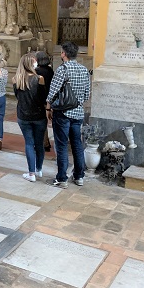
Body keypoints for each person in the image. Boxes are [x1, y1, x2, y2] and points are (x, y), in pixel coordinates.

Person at [46, 41, 91, 188]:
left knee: (62, 145)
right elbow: (87, 95)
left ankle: (62, 178)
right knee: (77, 145)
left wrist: (48, 108)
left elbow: (53, 91)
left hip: (63, 113)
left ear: (63, 53)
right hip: (78, 113)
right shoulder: (84, 70)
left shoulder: (62, 69)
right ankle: (79, 176)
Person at [13, 53, 48, 182]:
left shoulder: (16, 79)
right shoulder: (39, 79)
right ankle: (39, 169)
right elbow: (43, 98)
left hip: (23, 115)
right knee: (39, 143)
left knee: (29, 143)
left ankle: (31, 173)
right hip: (38, 115)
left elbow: (17, 96)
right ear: (31, 64)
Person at [35, 51, 54, 153]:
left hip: (40, 99)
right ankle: (46, 142)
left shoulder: (37, 71)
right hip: (49, 99)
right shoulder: (50, 70)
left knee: (40, 122)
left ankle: (44, 143)